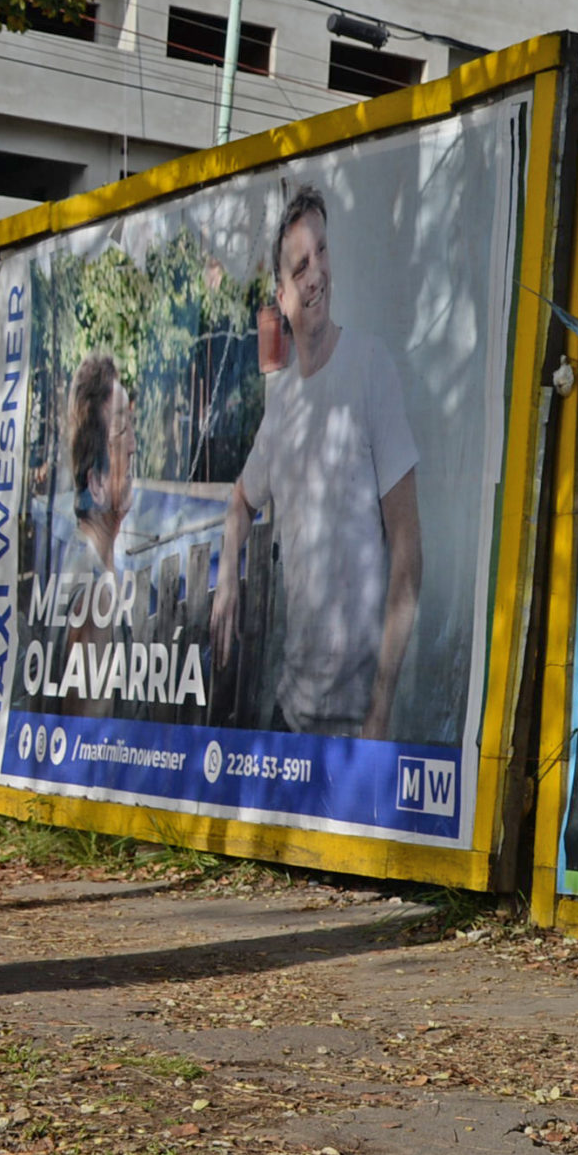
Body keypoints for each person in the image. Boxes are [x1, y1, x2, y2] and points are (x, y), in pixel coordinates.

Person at [212, 185, 422, 741]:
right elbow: (240, 501)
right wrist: (228, 578)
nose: (316, 275)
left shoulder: (371, 365)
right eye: (300, 266)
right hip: (290, 715)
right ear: (280, 296)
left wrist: (381, 706)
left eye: (322, 252)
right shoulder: (283, 404)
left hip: (356, 727)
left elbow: (408, 550)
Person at [67, 350, 136, 572]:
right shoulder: (89, 592)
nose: (133, 447)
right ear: (96, 483)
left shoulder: (99, 569)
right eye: (122, 430)